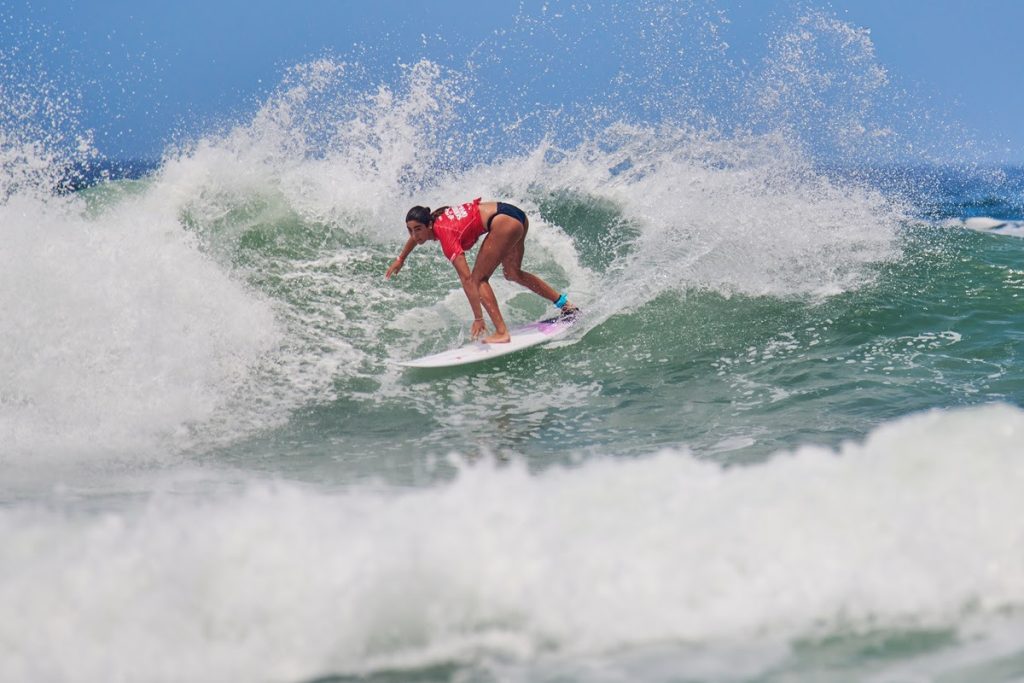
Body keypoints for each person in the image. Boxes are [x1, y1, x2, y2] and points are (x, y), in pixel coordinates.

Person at [385, 198, 577, 343]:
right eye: (410, 230)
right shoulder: (432, 219)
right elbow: (417, 235)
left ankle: (502, 332)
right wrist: (401, 258)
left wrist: (478, 318)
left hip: (503, 222)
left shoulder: (446, 236)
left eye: (417, 229)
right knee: (512, 273)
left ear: (428, 225)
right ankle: (566, 306)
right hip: (514, 214)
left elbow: (467, 279)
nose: (414, 235)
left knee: (478, 279)